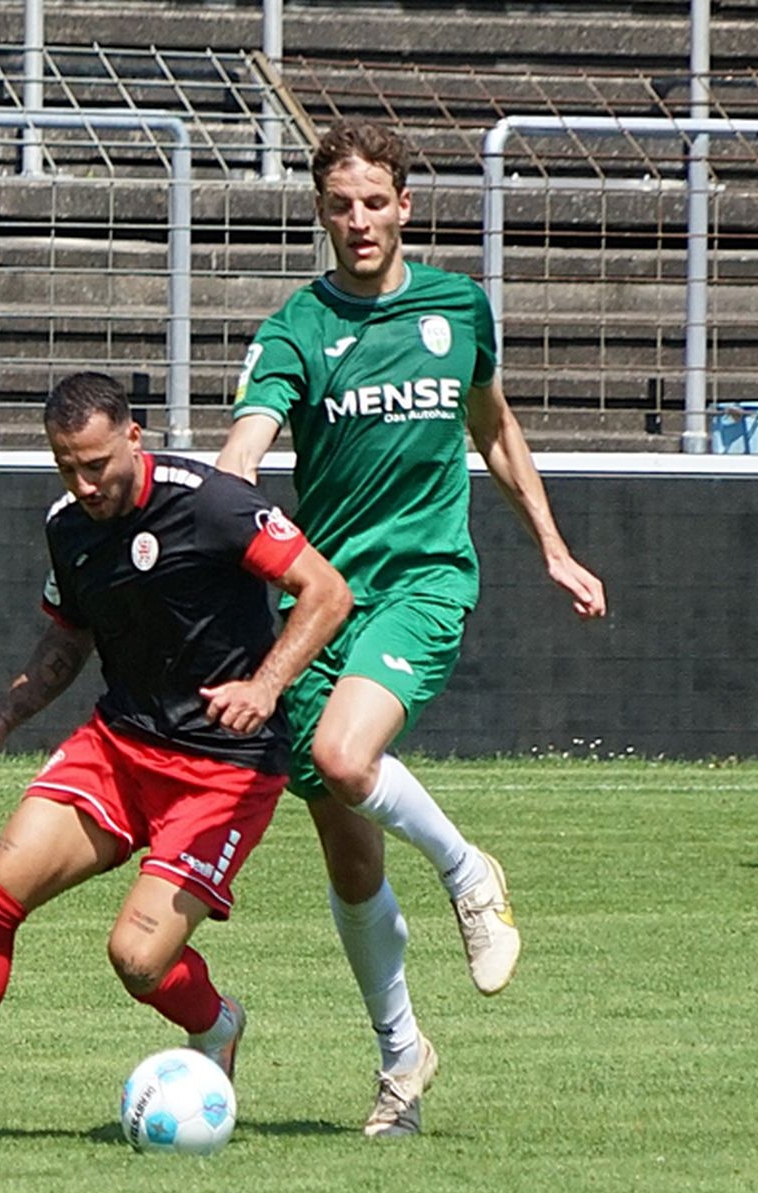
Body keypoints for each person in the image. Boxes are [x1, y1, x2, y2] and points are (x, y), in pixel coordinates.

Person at [0, 372, 351, 1144]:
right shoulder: (69, 526)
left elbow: (327, 592)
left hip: (224, 768)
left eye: (97, 465)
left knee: (137, 960)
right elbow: (69, 637)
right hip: (121, 747)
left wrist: (266, 685)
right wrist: (1, 721)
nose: (84, 484)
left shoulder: (212, 504)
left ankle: (218, 1023)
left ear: (133, 438)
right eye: (67, 467)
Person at [216, 119, 607, 1137]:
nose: (359, 221)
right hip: (320, 605)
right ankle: (402, 1063)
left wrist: (552, 546)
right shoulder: (298, 327)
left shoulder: (457, 306)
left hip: (424, 583)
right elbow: (248, 441)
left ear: (405, 206)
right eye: (340, 206)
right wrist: (223, 492)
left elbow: (494, 425)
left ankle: (470, 873)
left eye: (375, 203)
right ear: (320, 212)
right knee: (350, 861)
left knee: (346, 757)